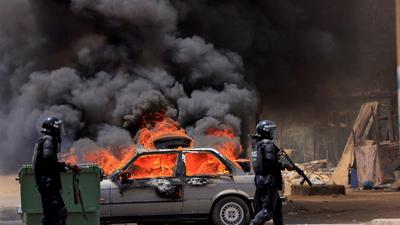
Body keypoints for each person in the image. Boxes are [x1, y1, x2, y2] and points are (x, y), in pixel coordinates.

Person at [32, 117, 78, 225]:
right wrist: (64, 166)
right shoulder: (49, 141)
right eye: (59, 128)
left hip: (45, 184)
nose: (60, 131)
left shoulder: (43, 140)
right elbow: (48, 159)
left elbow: (47, 162)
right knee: (59, 213)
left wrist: (65, 165)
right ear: (54, 128)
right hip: (49, 184)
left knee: (49, 215)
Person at [250, 120, 293, 225]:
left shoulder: (257, 145)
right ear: (266, 131)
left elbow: (263, 162)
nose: (273, 133)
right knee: (267, 211)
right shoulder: (268, 144)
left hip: (261, 179)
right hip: (269, 181)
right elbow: (270, 164)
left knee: (277, 209)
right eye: (271, 131)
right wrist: (285, 166)